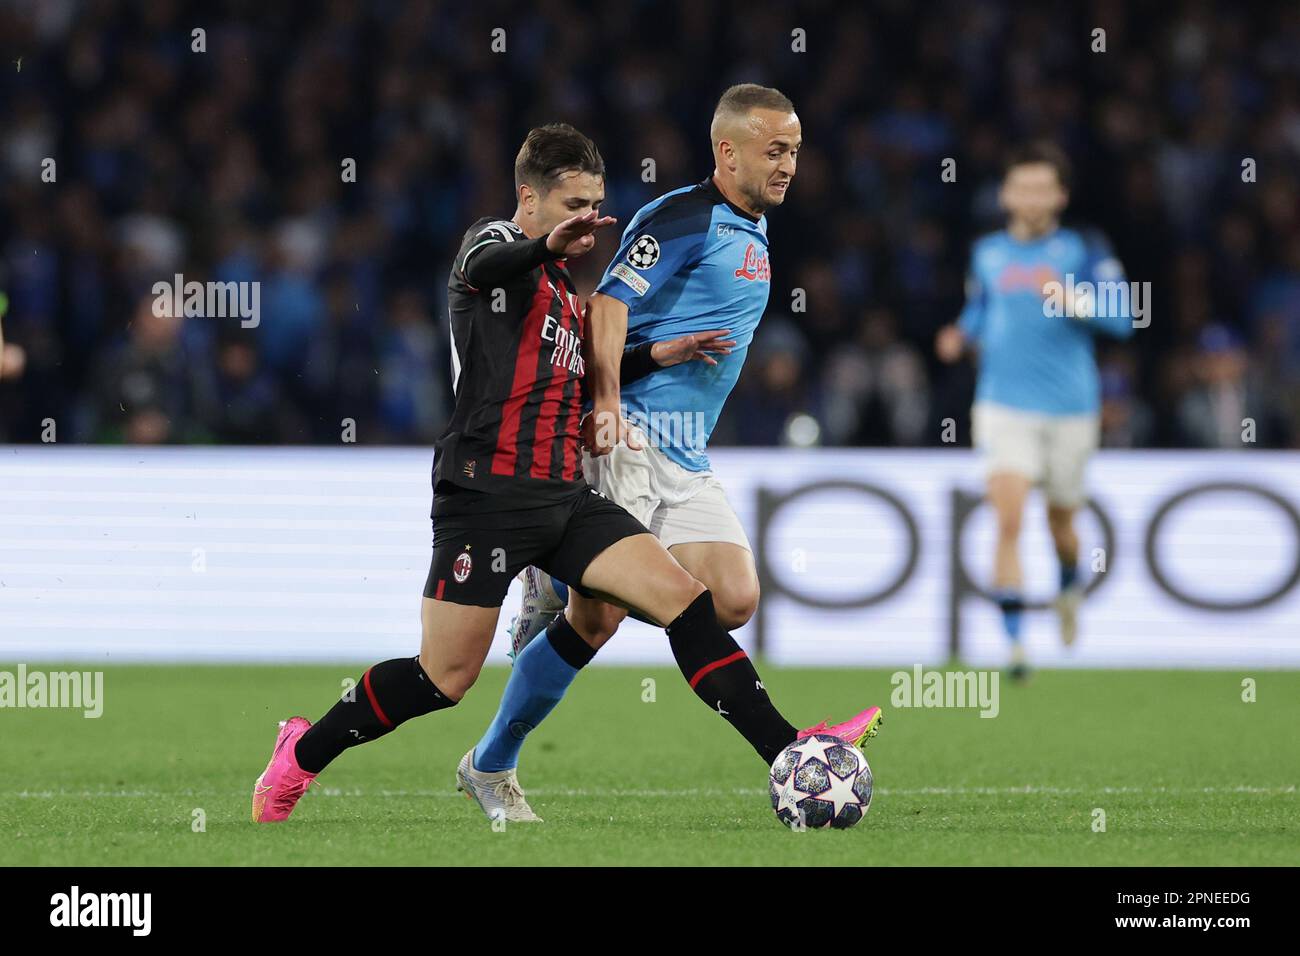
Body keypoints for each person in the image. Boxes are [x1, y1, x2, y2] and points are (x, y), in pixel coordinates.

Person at [252, 121, 879, 824]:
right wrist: (541, 246)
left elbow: (579, 375)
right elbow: (487, 270)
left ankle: (792, 752)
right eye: (574, 204)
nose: (588, 218)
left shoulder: (561, 290)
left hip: (564, 496)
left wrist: (660, 356)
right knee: (443, 678)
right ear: (531, 198)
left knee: (687, 601)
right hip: (485, 496)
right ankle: (302, 752)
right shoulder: (490, 249)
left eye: (595, 204)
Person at [456, 86, 882, 823]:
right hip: (633, 441)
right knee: (602, 622)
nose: (788, 165)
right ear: (728, 150)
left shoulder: (751, 228)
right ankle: (493, 761)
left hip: (688, 455)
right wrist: (610, 402)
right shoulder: (683, 217)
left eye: (795, 151)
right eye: (774, 150)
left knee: (735, 598)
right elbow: (610, 304)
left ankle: (562, 591)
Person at [935, 142, 1135, 679]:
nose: (1030, 197)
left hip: (1070, 408)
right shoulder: (988, 253)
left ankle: (1069, 583)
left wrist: (1073, 300)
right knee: (1008, 517)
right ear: (1005, 194)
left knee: (1062, 523)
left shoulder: (1084, 249)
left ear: (1061, 195)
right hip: (1003, 404)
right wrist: (960, 335)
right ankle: (1016, 645)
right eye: (1021, 186)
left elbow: (1123, 318)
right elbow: (980, 312)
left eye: (1042, 187)